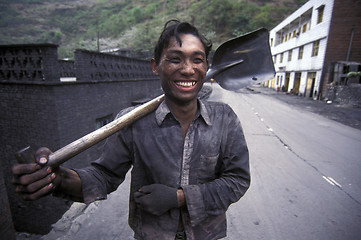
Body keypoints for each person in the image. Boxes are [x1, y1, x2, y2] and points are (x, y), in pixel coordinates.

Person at [12, 20, 250, 240]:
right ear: (156, 66)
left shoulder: (224, 119)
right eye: (175, 59)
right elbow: (103, 176)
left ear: (206, 66)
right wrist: (56, 179)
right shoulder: (132, 122)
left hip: (207, 235)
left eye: (197, 60)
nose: (188, 69)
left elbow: (237, 180)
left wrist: (179, 198)